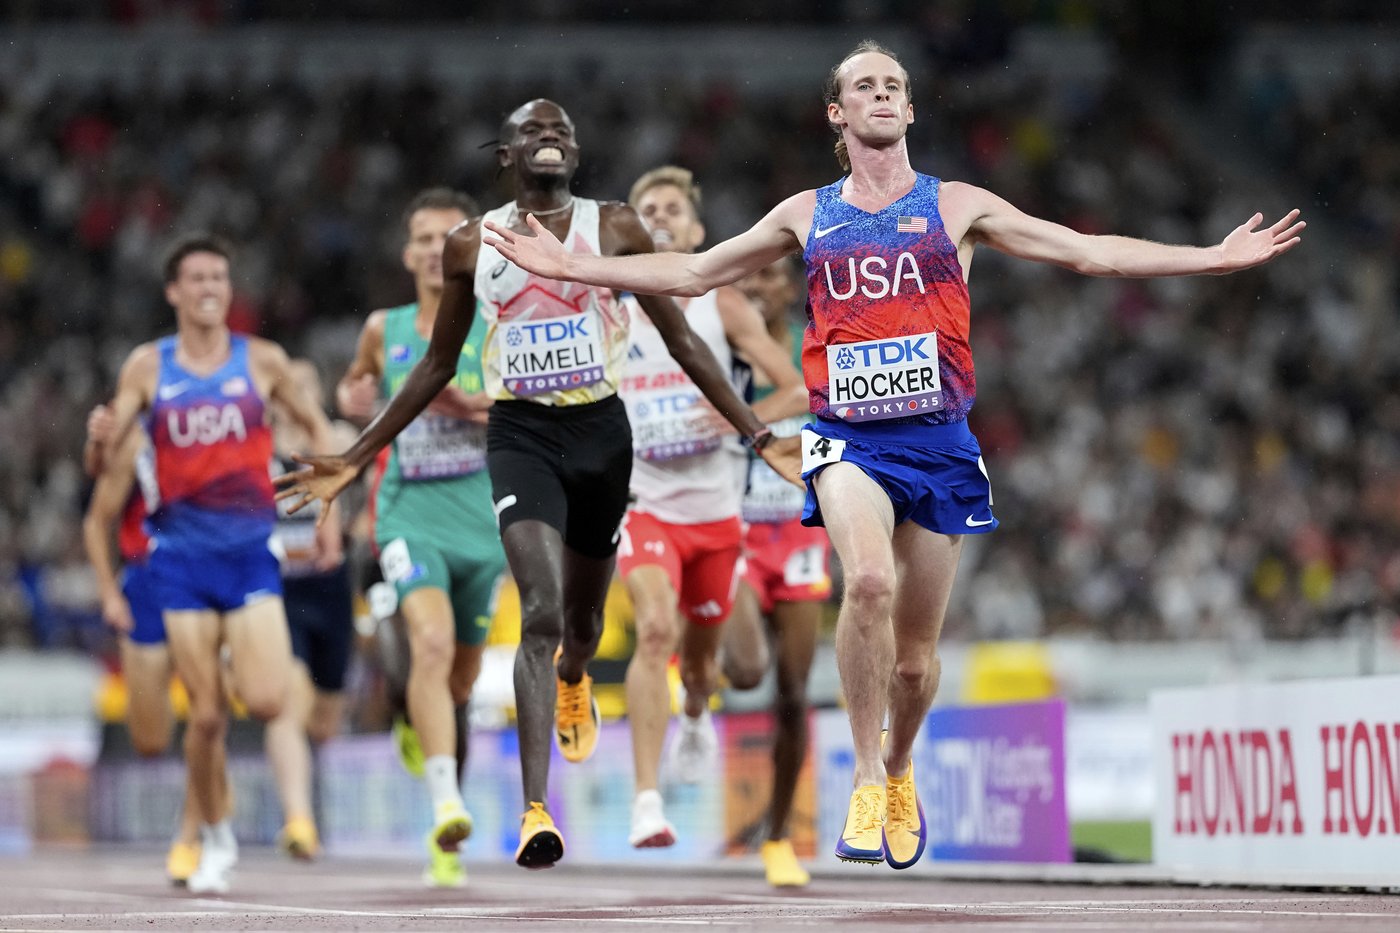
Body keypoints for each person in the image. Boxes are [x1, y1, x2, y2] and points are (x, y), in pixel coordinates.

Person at [480, 41, 1305, 871]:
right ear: (838, 114)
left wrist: (1211, 256)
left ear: (908, 110)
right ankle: (868, 776)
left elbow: (1086, 250)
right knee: (866, 580)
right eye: (862, 86)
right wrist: (573, 264)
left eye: (894, 86)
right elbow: (695, 270)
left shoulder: (958, 206)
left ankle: (901, 763)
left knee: (915, 664)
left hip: (939, 444)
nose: (881, 93)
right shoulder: (807, 212)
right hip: (849, 440)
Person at [276, 99, 793, 870]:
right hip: (520, 436)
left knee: (580, 625)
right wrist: (354, 456)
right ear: (506, 155)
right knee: (542, 609)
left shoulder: (615, 226)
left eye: (561, 131)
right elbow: (437, 364)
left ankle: (575, 677)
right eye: (532, 131)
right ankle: (533, 809)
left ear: (575, 154)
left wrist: (757, 434)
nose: (548, 136)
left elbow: (682, 339)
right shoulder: (469, 244)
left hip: (601, 434)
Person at [97, 233, 337, 894]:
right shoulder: (147, 367)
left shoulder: (262, 360)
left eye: (220, 278)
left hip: (247, 554)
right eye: (196, 277)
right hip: (178, 558)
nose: (209, 288)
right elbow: (107, 466)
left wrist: (330, 514)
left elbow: (318, 432)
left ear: (230, 291)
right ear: (174, 291)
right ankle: (209, 833)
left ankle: (213, 819)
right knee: (204, 715)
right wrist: (97, 442)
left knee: (265, 697)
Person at [615, 167, 808, 854]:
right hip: (642, 504)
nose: (661, 216)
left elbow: (801, 380)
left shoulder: (721, 304)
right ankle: (645, 800)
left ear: (697, 233)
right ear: (625, 229)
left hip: (717, 511)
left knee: (701, 665)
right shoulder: (607, 307)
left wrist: (738, 418)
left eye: (673, 208)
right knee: (655, 629)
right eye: (647, 208)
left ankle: (695, 709)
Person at [334, 187, 504, 887]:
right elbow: (357, 386)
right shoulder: (386, 326)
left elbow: (532, 405)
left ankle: (411, 713)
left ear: (473, 249)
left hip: (480, 518)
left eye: (449, 237)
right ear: (408, 253)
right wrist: (351, 394)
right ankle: (445, 810)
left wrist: (472, 406)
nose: (437, 249)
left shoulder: (496, 324)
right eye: (424, 238)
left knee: (459, 680)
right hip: (406, 512)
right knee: (429, 644)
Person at [717, 256, 830, 888]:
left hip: (795, 531)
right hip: (732, 529)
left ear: (789, 287)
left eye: (766, 279)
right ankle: (696, 658)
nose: (755, 289)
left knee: (792, 693)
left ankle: (780, 838)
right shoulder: (717, 345)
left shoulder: (814, 344)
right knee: (746, 668)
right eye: (743, 281)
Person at [80, 410, 207, 885]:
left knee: (207, 712)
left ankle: (192, 834)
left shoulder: (223, 429)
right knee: (150, 738)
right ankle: (208, 804)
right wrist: (110, 595)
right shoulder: (139, 441)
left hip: (205, 579)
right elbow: (96, 522)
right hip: (147, 587)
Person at [267, 358, 355, 862]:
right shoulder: (258, 449)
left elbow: (372, 459)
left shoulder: (334, 437)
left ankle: (307, 799)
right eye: (288, 387)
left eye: (306, 386)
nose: (297, 395)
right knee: (287, 701)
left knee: (323, 718)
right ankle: (298, 819)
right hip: (279, 592)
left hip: (330, 589)